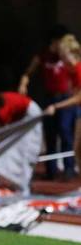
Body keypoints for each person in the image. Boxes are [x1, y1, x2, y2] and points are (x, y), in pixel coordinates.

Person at [18, 24, 76, 179]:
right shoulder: (43, 56)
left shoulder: (70, 58)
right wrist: (23, 83)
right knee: (50, 134)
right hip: (50, 97)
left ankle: (69, 168)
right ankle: (51, 170)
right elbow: (28, 72)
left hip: (67, 98)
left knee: (65, 132)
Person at [44, 34, 81, 177]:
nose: (62, 60)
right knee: (77, 149)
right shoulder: (70, 71)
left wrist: (56, 106)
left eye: (64, 56)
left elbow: (78, 98)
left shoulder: (78, 69)